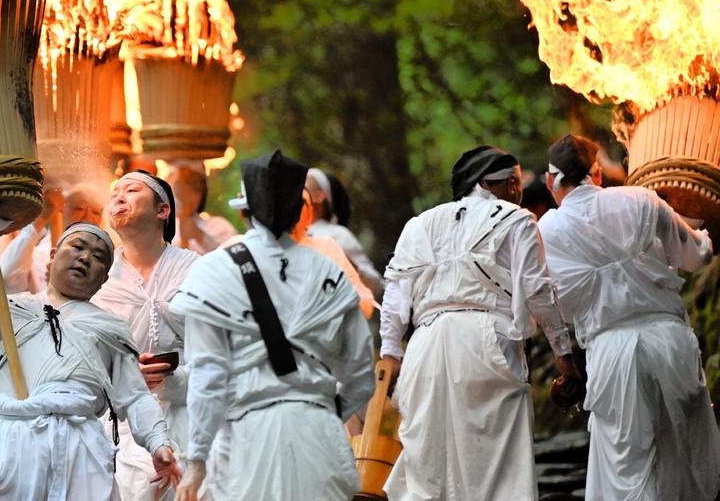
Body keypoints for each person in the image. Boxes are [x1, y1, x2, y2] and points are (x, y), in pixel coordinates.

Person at [380, 145, 583, 501]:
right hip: (487, 341)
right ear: (498, 183)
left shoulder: (420, 224)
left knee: (430, 471)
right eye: (514, 182)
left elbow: (395, 297)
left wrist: (392, 357)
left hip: (425, 348)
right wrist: (565, 359)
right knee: (496, 474)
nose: (518, 191)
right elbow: (537, 291)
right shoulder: (517, 219)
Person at [173, 150, 375, 501]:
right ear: (302, 211)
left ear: (242, 212)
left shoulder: (214, 272)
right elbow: (360, 377)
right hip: (322, 442)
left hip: (245, 445)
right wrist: (320, 410)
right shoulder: (331, 273)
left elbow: (208, 376)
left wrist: (197, 460)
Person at [0, 221, 182, 501]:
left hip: (78, 453)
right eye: (77, 247)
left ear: (104, 279)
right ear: (52, 256)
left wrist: (158, 443)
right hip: (7, 446)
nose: (86, 258)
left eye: (99, 257)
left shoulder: (111, 327)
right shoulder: (10, 308)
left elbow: (136, 396)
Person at [538, 133, 720, 501]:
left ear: (549, 181)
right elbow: (696, 256)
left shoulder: (545, 233)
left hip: (611, 351)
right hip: (670, 344)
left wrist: (567, 365)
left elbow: (548, 307)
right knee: (682, 456)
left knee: (627, 470)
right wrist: (702, 228)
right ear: (597, 174)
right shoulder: (642, 199)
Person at [92, 170, 198, 501]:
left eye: (132, 190)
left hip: (188, 413)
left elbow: (218, 356)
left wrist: (175, 380)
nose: (118, 197)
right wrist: (126, 377)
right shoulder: (99, 278)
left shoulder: (195, 269)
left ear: (162, 210)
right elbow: (85, 361)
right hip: (119, 421)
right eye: (114, 193)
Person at [306, 167, 384, 300]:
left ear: (319, 196)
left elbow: (378, 286)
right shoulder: (289, 234)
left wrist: (348, 266)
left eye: (303, 187)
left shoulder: (336, 234)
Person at [167, 162, 239, 255]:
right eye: (178, 186)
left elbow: (235, 258)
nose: (185, 193)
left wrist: (199, 236)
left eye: (195, 187)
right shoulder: (160, 228)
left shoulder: (219, 226)